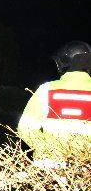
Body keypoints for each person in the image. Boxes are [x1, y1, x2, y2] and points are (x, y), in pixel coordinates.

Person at [17, 40, 91, 168]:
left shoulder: (46, 89)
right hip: (86, 168)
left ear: (64, 62)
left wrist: (47, 151)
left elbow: (26, 128)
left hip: (49, 165)